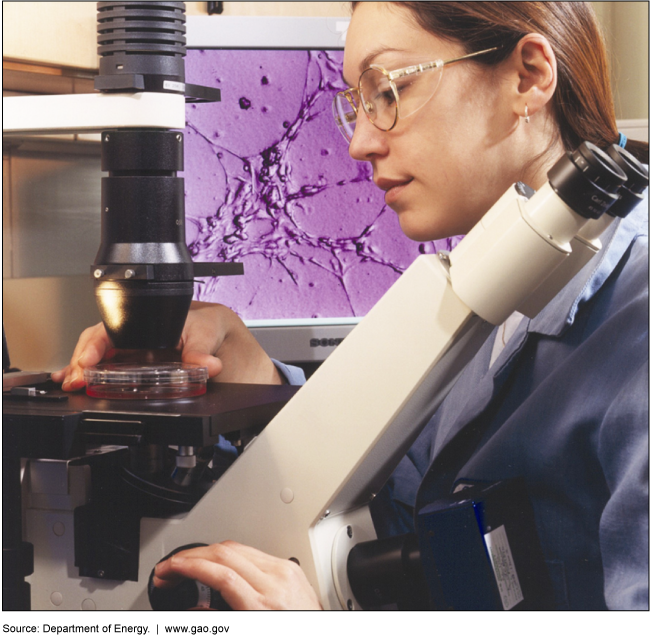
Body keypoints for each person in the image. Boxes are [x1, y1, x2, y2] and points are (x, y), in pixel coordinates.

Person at [52, 2, 648, 610]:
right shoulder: (498, 279)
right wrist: (259, 379)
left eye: (388, 90)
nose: (361, 143)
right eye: (357, 104)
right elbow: (405, 492)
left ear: (527, 77)